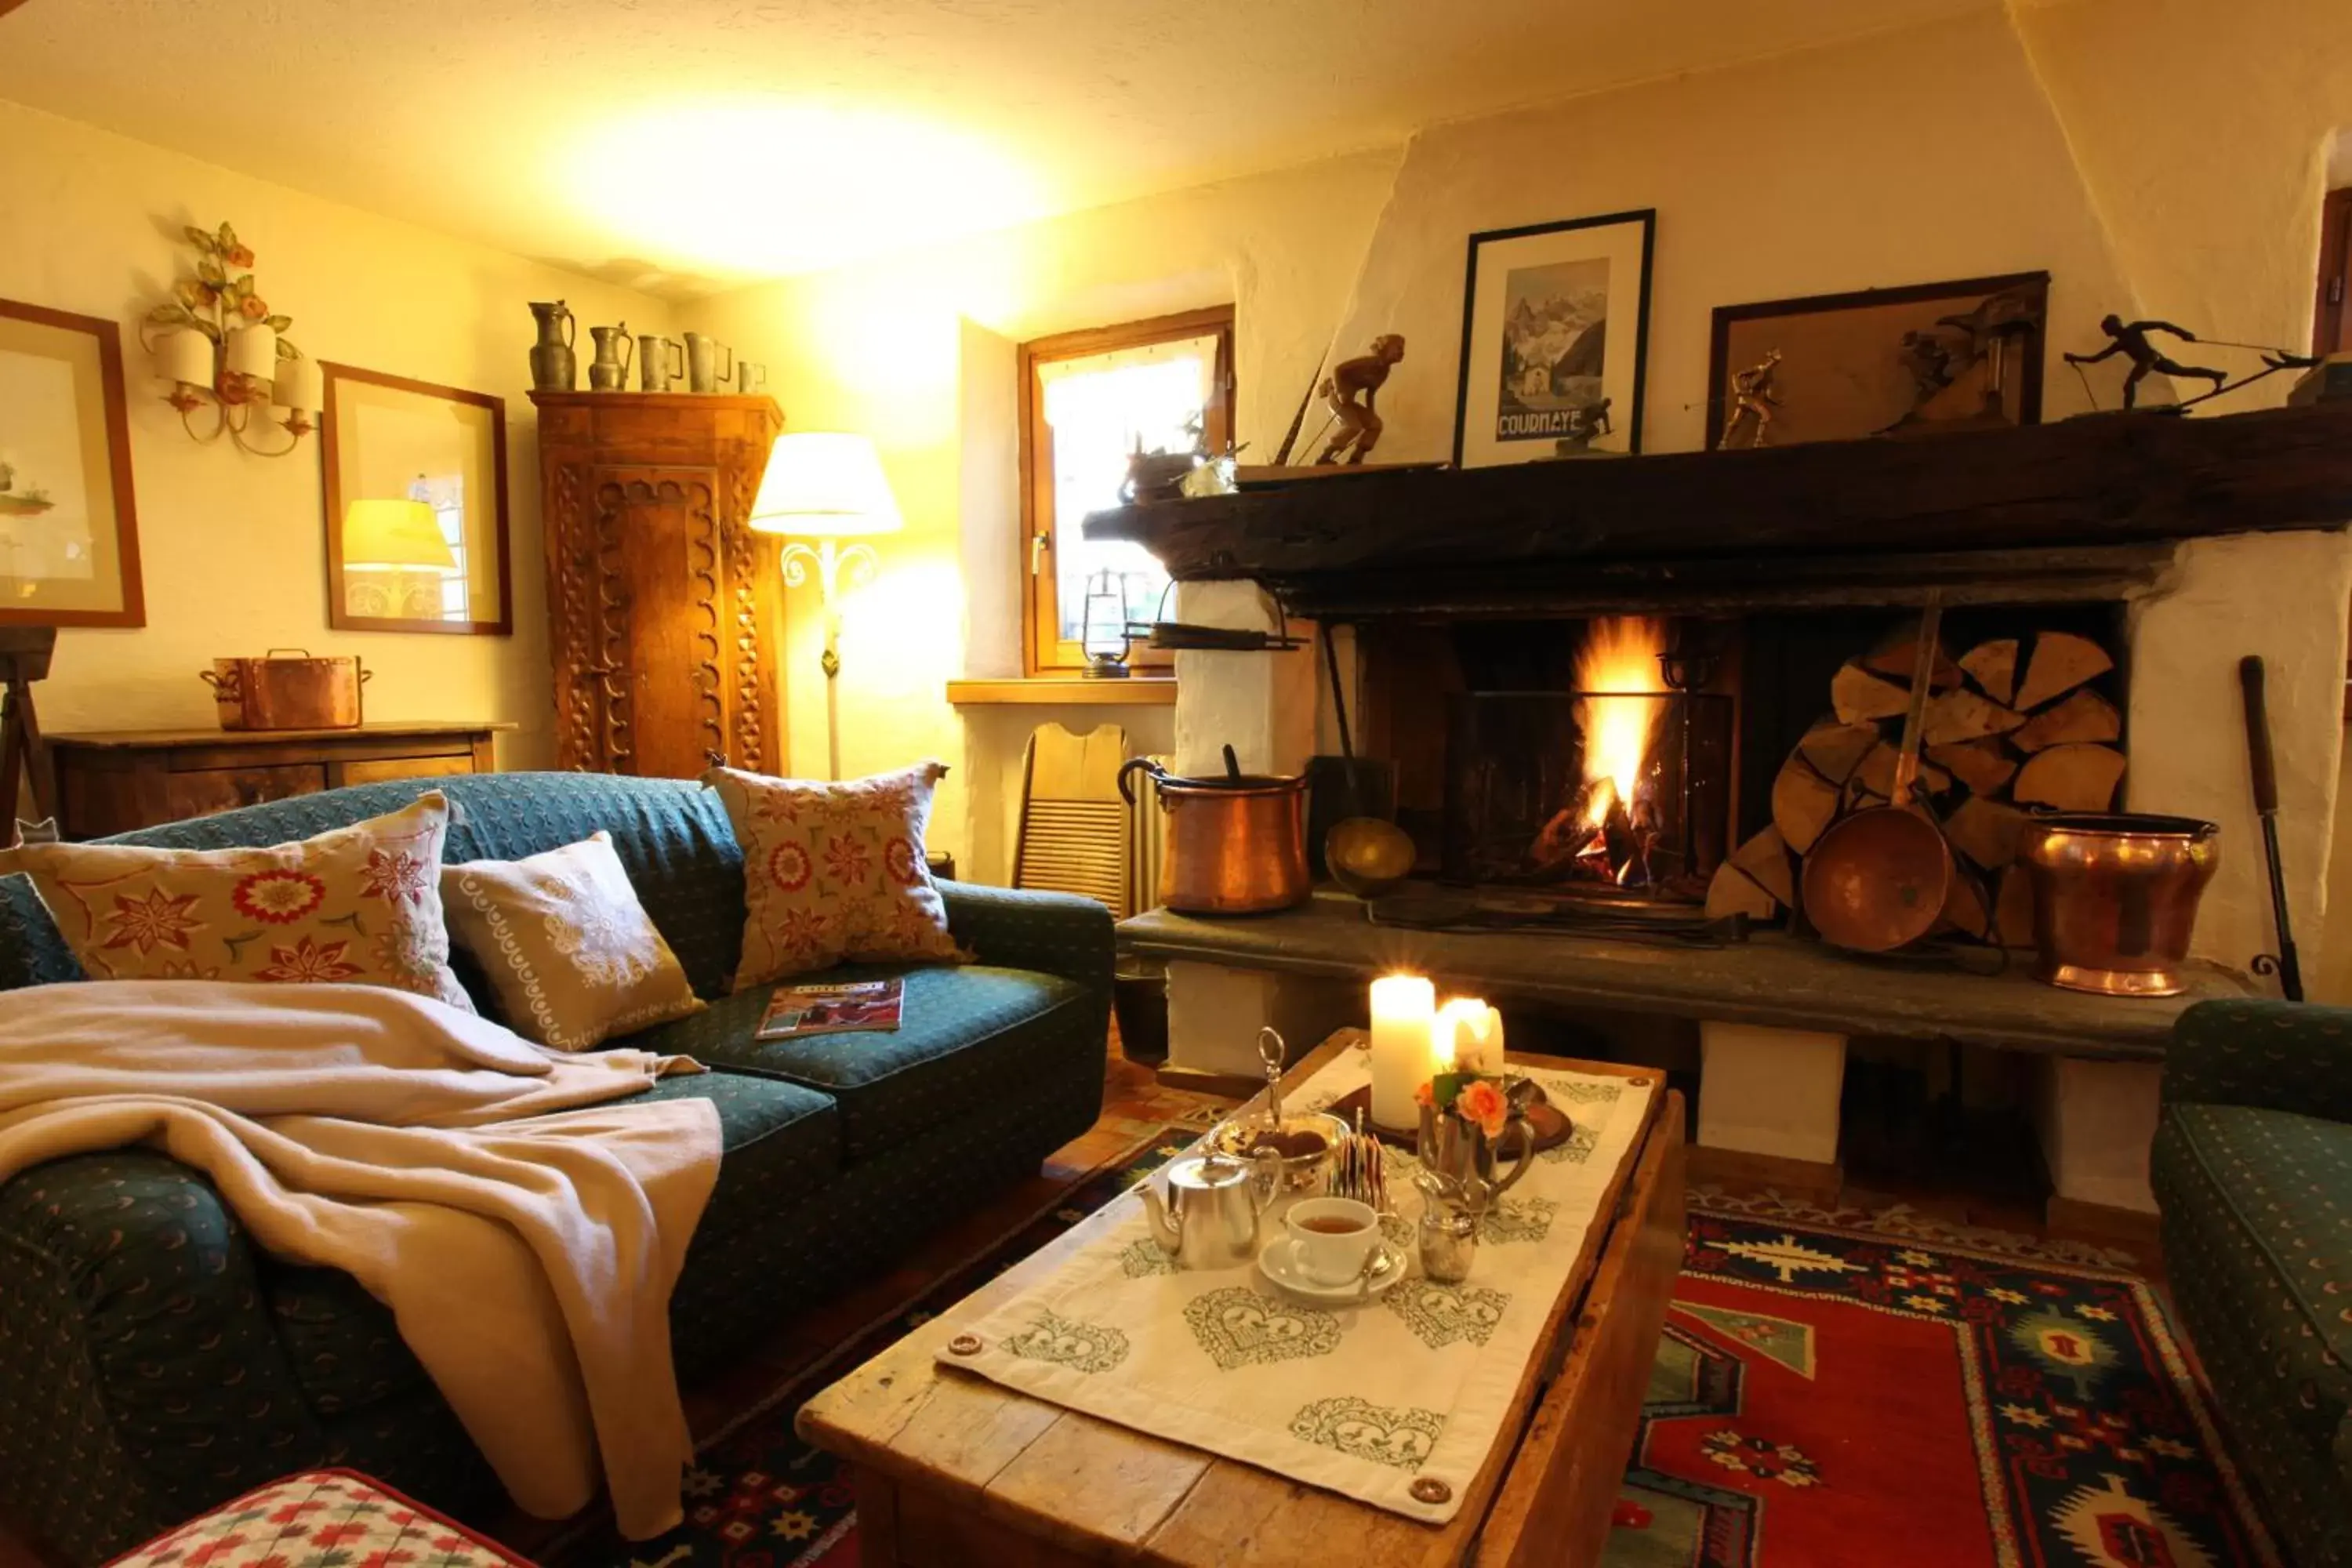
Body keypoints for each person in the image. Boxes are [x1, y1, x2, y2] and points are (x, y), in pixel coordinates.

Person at [2065, 315, 2227, 409]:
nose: (2107, 332)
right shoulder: (2119, 343)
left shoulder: (2134, 329)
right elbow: (2097, 358)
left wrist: (2183, 334)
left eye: (2107, 329)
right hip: (2154, 359)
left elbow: (2161, 325)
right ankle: (2216, 375)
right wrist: (2075, 358)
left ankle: (2127, 415)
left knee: (2130, 385)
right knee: (2183, 371)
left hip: (2149, 359)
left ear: (2114, 326)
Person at [1316, 335, 1406, 465]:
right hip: (1338, 397)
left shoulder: (1384, 372)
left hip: (1349, 401)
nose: (1401, 351)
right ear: (1386, 348)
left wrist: (1371, 414)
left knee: (1375, 425)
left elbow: (1371, 393)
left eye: (1402, 348)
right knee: (1353, 426)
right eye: (1398, 347)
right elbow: (1339, 369)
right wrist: (1341, 392)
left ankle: (1356, 458)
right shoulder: (1370, 361)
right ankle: (1325, 457)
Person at [1718, 348, 1783, 449]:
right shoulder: (1757, 369)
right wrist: (1737, 390)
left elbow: (1767, 395)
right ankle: (1758, 441)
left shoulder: (1769, 376)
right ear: (1769, 360)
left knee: (1736, 421)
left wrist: (1777, 402)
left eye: (1774, 363)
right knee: (1765, 416)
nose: (1772, 364)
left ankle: (1723, 442)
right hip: (1747, 398)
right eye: (1772, 362)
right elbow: (1736, 376)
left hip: (1750, 400)